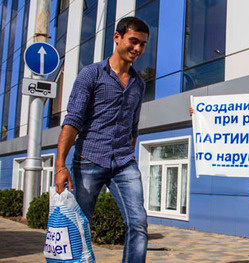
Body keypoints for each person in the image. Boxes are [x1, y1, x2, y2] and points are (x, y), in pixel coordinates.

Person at [54, 17, 149, 263]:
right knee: (79, 224)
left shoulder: (139, 84)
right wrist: (60, 165)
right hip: (89, 160)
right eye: (133, 41)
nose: (137, 49)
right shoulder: (91, 75)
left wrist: (129, 156)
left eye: (143, 44)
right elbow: (72, 121)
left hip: (124, 162)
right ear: (116, 37)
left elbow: (133, 127)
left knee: (138, 222)